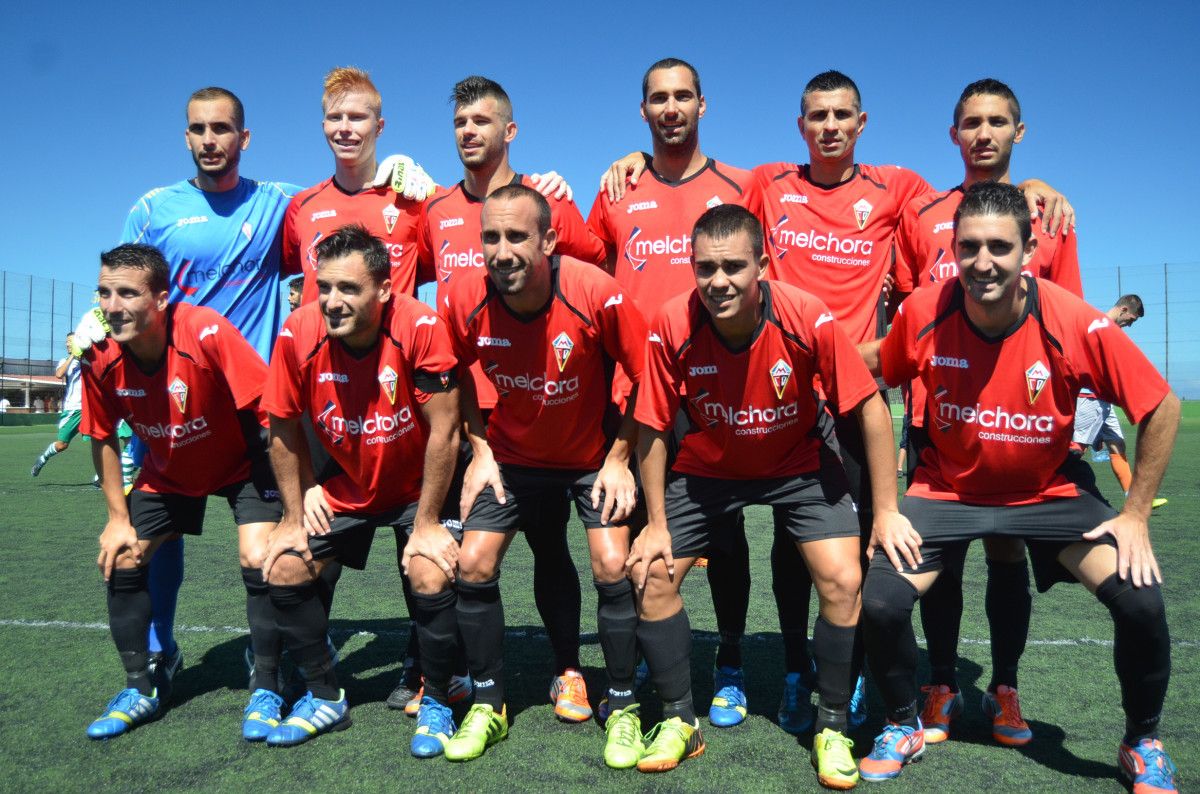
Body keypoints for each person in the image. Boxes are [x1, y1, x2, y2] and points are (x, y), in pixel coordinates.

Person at [856, 182, 1179, 794]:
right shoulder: (925, 309)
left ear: (1029, 250)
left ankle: (1142, 742)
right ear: (954, 248)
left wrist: (1134, 515)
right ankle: (901, 725)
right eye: (970, 246)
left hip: (1048, 496)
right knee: (880, 600)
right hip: (947, 494)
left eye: (999, 247)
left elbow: (1159, 404)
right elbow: (879, 372)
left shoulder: (1074, 320)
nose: (983, 262)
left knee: (1141, 600)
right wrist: (887, 505)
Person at [112, 84, 435, 690]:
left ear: (244, 138)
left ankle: (363, 664)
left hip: (272, 399)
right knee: (159, 525)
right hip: (197, 396)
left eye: (222, 129)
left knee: (331, 535)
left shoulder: (320, 202)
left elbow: (447, 224)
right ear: (187, 136)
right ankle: (166, 652)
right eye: (199, 130)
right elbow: (123, 279)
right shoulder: (172, 208)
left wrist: (413, 170)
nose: (211, 140)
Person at [626, 205, 903, 788]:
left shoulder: (807, 315)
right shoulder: (671, 323)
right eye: (705, 267)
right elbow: (651, 425)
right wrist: (654, 522)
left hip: (799, 463)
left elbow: (870, 407)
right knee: (651, 573)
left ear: (763, 265)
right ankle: (680, 721)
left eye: (732, 266)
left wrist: (887, 513)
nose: (717, 281)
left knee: (843, 580)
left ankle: (831, 728)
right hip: (708, 469)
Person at [890, 78, 1085, 747]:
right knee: (936, 551)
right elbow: (905, 316)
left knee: (1004, 548)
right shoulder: (921, 216)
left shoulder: (1049, 217)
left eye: (997, 121)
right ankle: (941, 684)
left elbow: (1073, 328)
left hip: (1017, 419)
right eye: (971, 122)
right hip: (937, 415)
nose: (983, 133)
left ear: (1018, 133)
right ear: (954, 135)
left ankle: (1004, 688)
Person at [404, 76, 604, 714]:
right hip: (462, 413)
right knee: (451, 546)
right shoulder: (430, 210)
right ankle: (442, 673)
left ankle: (567, 667)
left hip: (538, 411)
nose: (469, 131)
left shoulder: (550, 201)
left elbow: (598, 267)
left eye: (482, 121)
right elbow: (393, 276)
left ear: (508, 131)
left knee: (550, 544)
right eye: (460, 121)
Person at [438, 185, 646, 765]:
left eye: (516, 237)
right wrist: (479, 448)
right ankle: (489, 704)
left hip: (589, 458)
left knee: (610, 563)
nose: (501, 251)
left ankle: (623, 705)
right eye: (490, 237)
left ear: (549, 241)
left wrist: (619, 457)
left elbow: (646, 371)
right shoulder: (462, 298)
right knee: (473, 562)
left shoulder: (592, 291)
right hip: (511, 459)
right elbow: (452, 375)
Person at [587, 58, 763, 729]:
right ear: (643, 113)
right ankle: (629, 678)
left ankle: (732, 662)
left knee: (726, 533)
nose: (670, 107)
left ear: (702, 105)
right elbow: (577, 256)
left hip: (717, 391)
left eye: (682, 96)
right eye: (657, 98)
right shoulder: (616, 190)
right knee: (629, 537)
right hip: (632, 394)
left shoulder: (741, 185)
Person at [260, 224, 462, 749]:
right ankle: (325, 697)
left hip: (419, 484)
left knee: (428, 569)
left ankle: (437, 698)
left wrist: (428, 522)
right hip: (347, 482)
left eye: (348, 289)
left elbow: (445, 429)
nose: (331, 300)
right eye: (324, 286)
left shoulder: (419, 325)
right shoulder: (296, 333)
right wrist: (294, 506)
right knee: (283, 565)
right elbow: (281, 426)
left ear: (384, 288)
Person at [79, 243, 282, 740]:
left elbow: (268, 408)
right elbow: (102, 437)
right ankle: (146, 679)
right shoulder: (97, 353)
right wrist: (116, 518)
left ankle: (268, 679)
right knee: (123, 557)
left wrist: (293, 499)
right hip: (169, 470)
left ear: (162, 298)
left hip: (241, 462)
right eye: (104, 293)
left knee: (260, 558)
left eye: (127, 293)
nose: (112, 306)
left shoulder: (205, 329)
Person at [1072, 294, 1168, 510]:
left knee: (1117, 444)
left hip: (1104, 401)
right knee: (1077, 448)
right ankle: (1058, 494)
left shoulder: (1109, 330)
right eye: (1131, 320)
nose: (1130, 325)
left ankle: (1135, 499)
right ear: (1123, 309)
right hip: (1090, 398)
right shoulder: (1098, 326)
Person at [31, 333, 132, 480]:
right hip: (74, 408)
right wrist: (73, 356)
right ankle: (43, 458)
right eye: (67, 342)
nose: (67, 344)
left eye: (70, 341)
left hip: (93, 405)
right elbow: (59, 374)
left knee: (105, 438)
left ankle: (103, 476)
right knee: (62, 444)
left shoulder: (90, 359)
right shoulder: (65, 361)